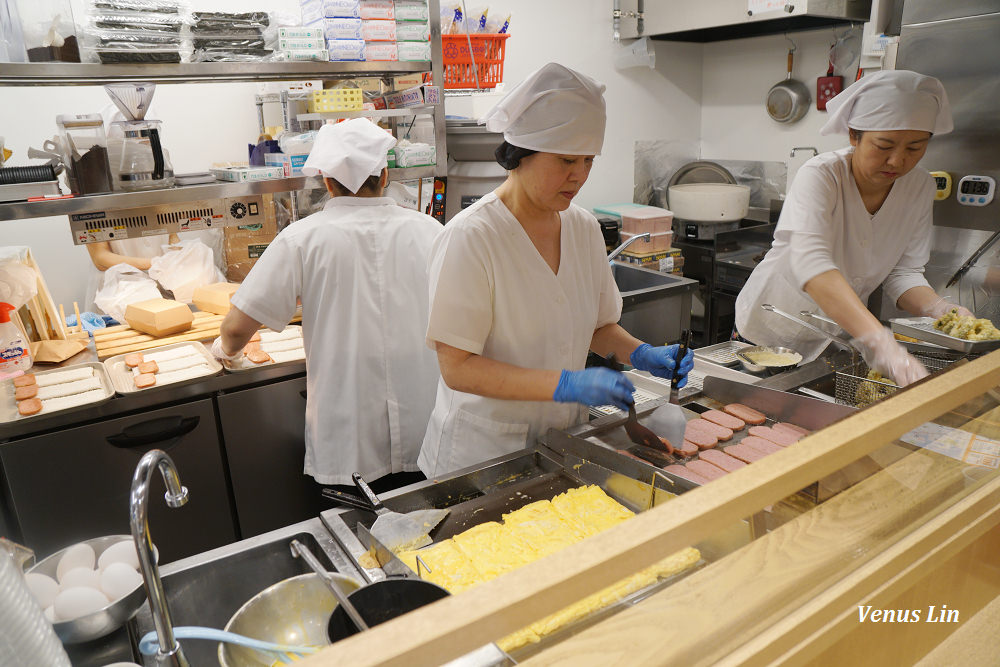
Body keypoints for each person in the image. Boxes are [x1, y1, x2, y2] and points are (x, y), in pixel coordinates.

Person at [418, 62, 694, 478]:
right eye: (566, 160)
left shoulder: (582, 227)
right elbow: (458, 367)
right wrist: (565, 384)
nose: (579, 176)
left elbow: (597, 326)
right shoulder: (472, 237)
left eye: (588, 161)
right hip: (483, 454)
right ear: (521, 154)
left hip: (564, 441)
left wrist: (639, 353)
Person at [211, 118, 443, 489]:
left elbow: (237, 328)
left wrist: (227, 352)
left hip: (350, 443)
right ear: (384, 176)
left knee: (356, 543)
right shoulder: (430, 231)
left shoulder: (301, 239)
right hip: (425, 432)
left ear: (328, 182)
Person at [735, 70, 968, 386]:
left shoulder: (919, 187)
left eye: (915, 147)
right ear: (853, 135)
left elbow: (903, 274)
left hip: (836, 335)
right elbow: (813, 268)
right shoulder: (821, 176)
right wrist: (879, 342)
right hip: (770, 331)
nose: (897, 161)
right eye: (884, 145)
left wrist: (939, 309)